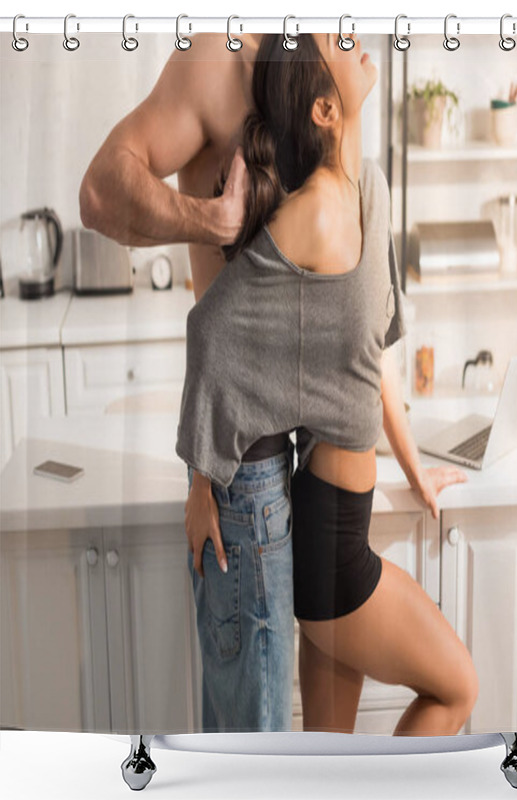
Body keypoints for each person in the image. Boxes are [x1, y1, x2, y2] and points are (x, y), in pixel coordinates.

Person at [176, 31, 479, 736]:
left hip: (335, 524)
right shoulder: (313, 210)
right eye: (343, 43)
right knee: (458, 687)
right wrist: (201, 481)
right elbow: (212, 333)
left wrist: (415, 467)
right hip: (333, 555)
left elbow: (377, 355)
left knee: (329, 761)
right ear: (323, 110)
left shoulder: (366, 185)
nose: (360, 42)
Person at [79, 33, 299, 731]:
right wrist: (212, 218)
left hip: (316, 456)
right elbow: (100, 188)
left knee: (278, 739)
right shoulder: (213, 62)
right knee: (252, 754)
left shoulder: (328, 57)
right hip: (248, 470)